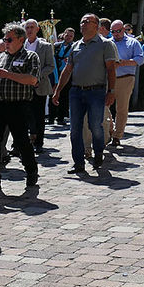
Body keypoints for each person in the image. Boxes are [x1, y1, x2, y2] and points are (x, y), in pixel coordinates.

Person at [52, 13, 117, 173]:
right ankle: (78, 163)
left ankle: (99, 152)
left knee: (95, 126)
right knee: (75, 129)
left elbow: (111, 69)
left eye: (87, 21)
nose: (83, 24)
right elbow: (67, 70)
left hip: (96, 91)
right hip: (76, 92)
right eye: (82, 21)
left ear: (96, 25)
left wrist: (111, 91)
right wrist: (58, 90)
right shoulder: (75, 46)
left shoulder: (105, 44)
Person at [0, 23, 40, 194]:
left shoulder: (31, 56)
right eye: (4, 39)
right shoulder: (0, 57)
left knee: (21, 142)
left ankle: (31, 171)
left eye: (9, 39)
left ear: (21, 40)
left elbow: (32, 80)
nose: (6, 42)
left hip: (18, 105)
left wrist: (6, 74)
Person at [108, 19, 144, 147]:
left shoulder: (132, 42)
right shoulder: (108, 43)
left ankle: (117, 136)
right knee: (104, 108)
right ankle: (109, 131)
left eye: (118, 31)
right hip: (108, 79)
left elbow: (140, 59)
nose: (116, 34)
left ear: (124, 29)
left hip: (126, 78)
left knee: (121, 108)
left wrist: (124, 62)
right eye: (113, 32)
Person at [23, 19, 55, 153]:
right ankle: (22, 142)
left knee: (39, 116)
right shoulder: (20, 45)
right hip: (23, 86)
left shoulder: (45, 46)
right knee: (23, 115)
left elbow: (50, 66)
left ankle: (39, 142)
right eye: (27, 27)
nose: (29, 30)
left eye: (32, 27)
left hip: (39, 86)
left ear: (37, 29)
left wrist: (37, 76)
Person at [52, 28, 74, 125]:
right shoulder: (56, 46)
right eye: (67, 35)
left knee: (64, 95)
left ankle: (61, 117)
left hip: (68, 74)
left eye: (71, 36)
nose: (68, 37)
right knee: (52, 93)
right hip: (56, 72)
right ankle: (52, 117)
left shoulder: (74, 47)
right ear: (64, 35)